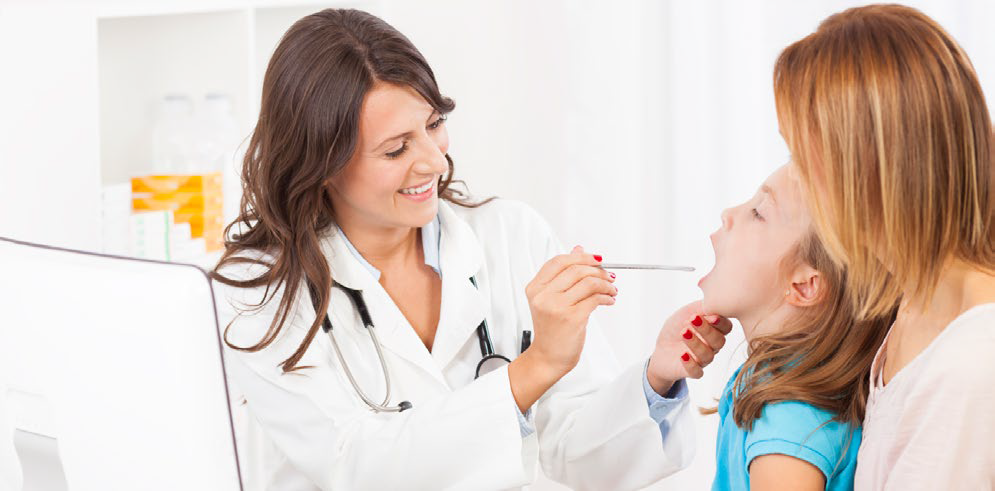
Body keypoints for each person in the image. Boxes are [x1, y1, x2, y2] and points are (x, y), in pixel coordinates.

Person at [212, 8, 731, 490]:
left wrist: (658, 377)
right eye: (396, 149)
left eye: (434, 125)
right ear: (321, 163)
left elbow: (574, 449)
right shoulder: (258, 296)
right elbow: (353, 465)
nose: (435, 164)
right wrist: (536, 366)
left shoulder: (510, 235)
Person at [773, 5, 995, 489]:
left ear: (868, 167)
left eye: (802, 157)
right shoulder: (911, 309)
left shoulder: (972, 366)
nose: (795, 178)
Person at [701, 165, 894, 490]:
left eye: (759, 213)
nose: (727, 214)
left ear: (805, 286)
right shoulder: (780, 386)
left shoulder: (788, 416)